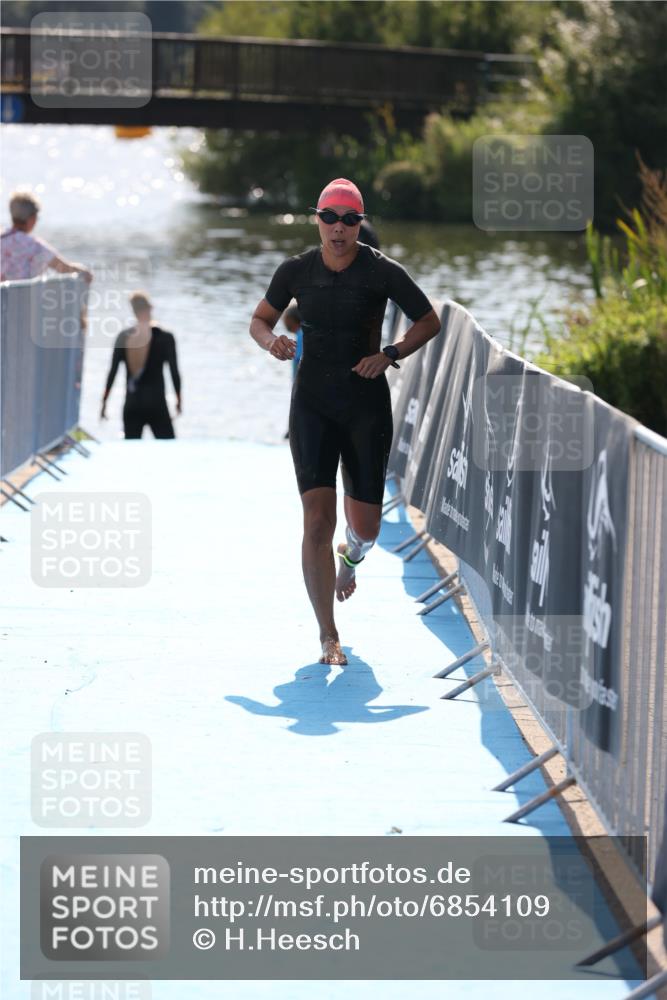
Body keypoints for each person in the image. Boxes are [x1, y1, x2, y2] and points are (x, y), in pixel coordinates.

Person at [250, 177, 441, 666]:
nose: (339, 229)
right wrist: (269, 341)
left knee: (368, 526)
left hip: (364, 405)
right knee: (315, 518)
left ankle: (350, 556)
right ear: (317, 219)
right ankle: (327, 634)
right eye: (330, 218)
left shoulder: (382, 272)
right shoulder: (295, 271)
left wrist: (390, 354)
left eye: (349, 220)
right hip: (311, 403)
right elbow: (259, 318)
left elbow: (429, 320)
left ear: (360, 223)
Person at [101, 291, 182, 439]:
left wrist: (104, 402)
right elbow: (174, 372)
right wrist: (178, 400)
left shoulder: (123, 337)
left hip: (132, 404)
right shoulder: (165, 337)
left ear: (134, 311)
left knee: (130, 454)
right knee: (169, 451)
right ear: (150, 307)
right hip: (157, 404)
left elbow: (112, 372)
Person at [0, 190, 93, 283]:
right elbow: (64, 268)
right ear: (32, 219)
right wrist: (84, 272)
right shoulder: (34, 245)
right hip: (26, 296)